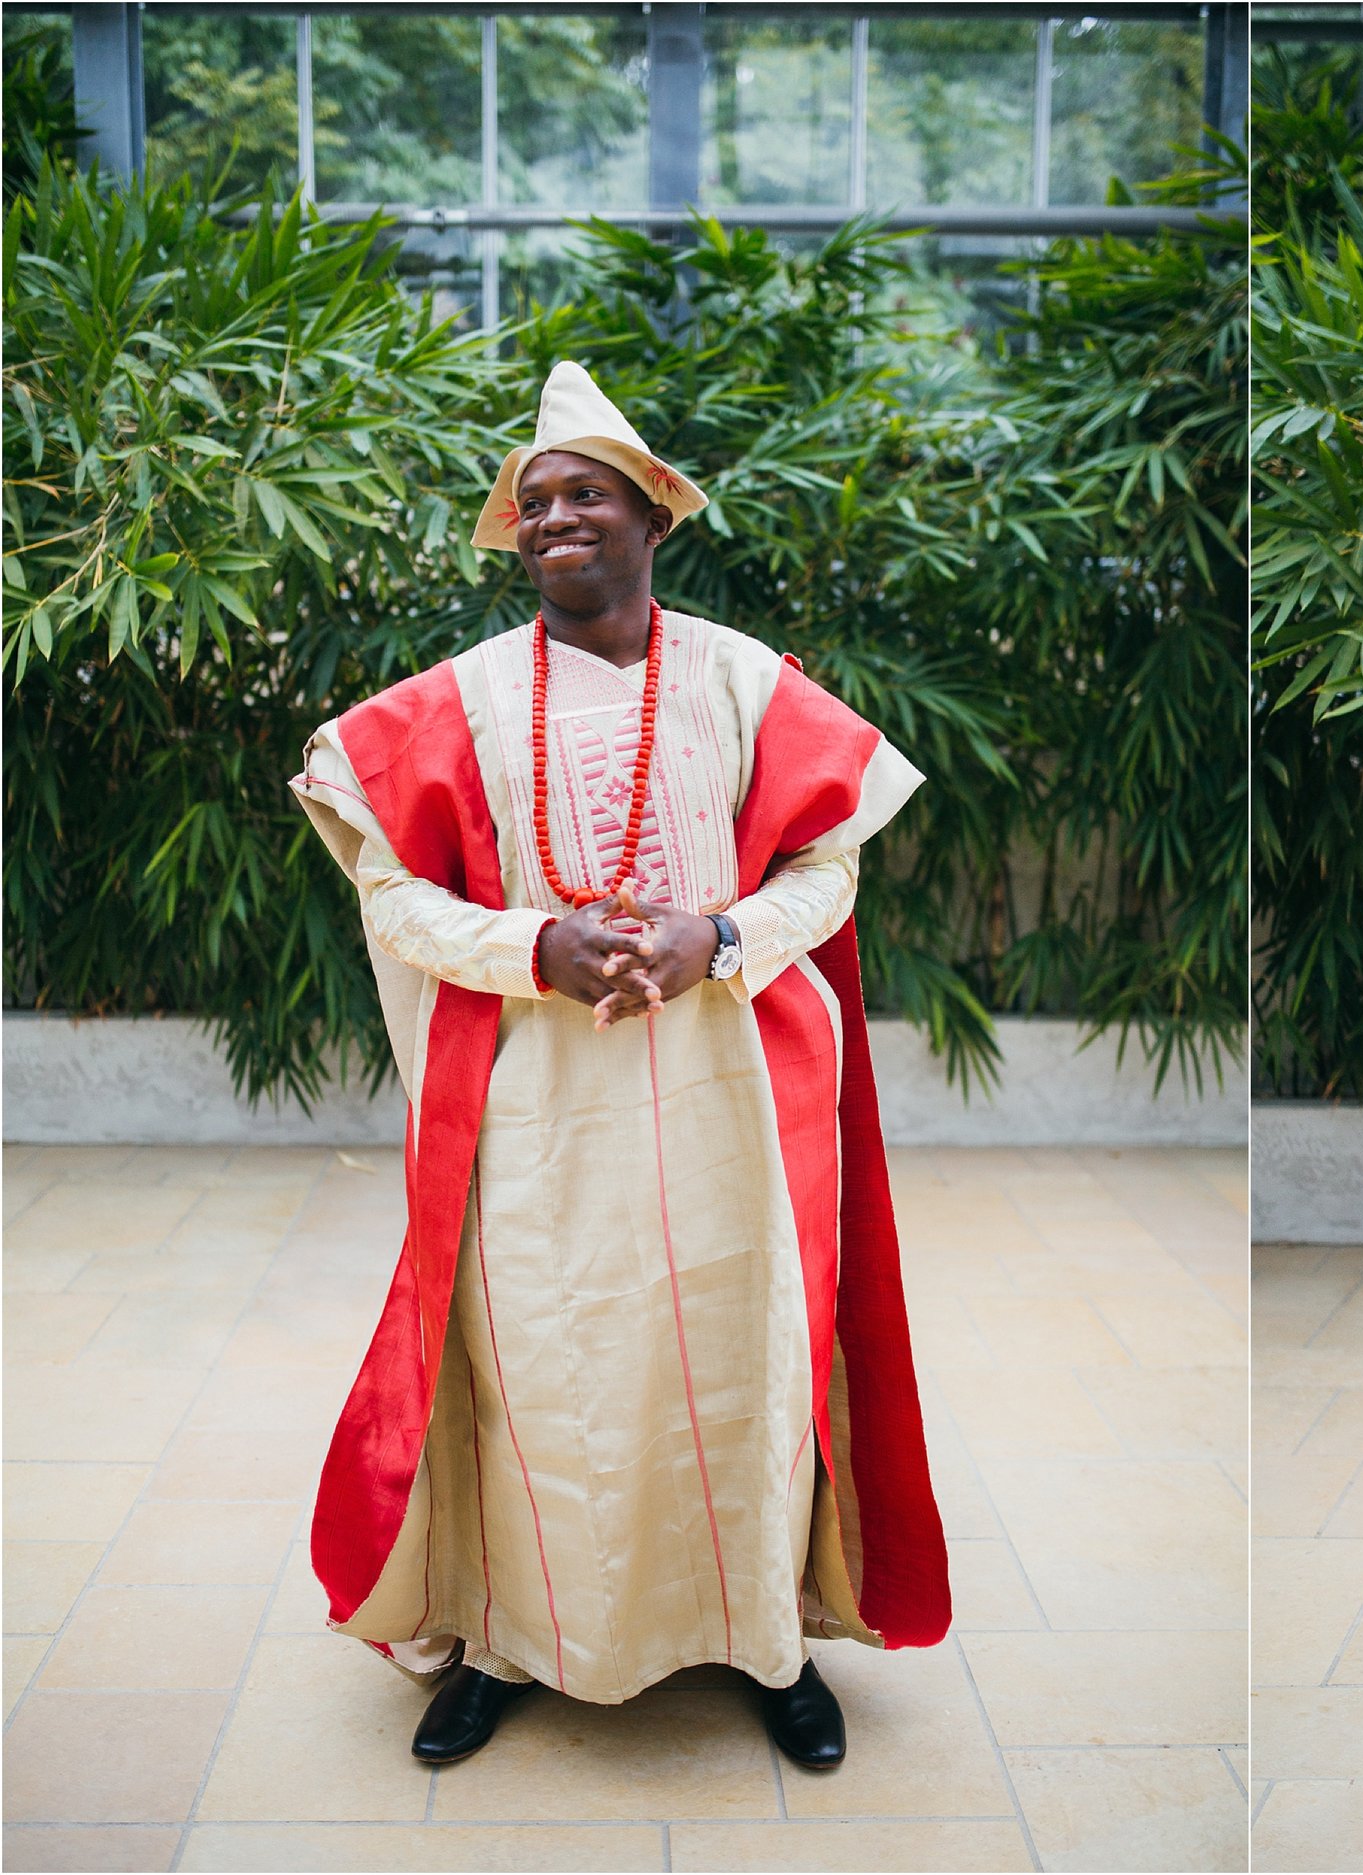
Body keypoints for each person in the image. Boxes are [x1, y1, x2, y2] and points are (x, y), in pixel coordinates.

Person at [290, 360, 951, 1770]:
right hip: (539, 1108)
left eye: (589, 493)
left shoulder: (745, 680)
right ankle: (514, 1644)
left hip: (732, 1098)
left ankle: (768, 1645)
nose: (556, 516)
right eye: (536, 501)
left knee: (748, 1360)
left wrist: (717, 932)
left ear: (656, 518)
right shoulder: (450, 704)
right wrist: (542, 949)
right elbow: (395, 903)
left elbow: (829, 872)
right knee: (543, 1361)